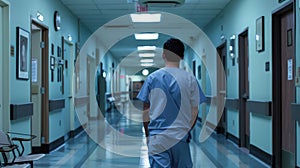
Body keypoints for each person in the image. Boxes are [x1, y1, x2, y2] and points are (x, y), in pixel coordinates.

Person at [137, 38, 206, 168]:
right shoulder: (190, 79)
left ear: (163, 55)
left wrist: (148, 136)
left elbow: (146, 111)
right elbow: (194, 111)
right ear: (182, 56)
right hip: (180, 137)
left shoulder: (152, 78)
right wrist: (185, 131)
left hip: (158, 137)